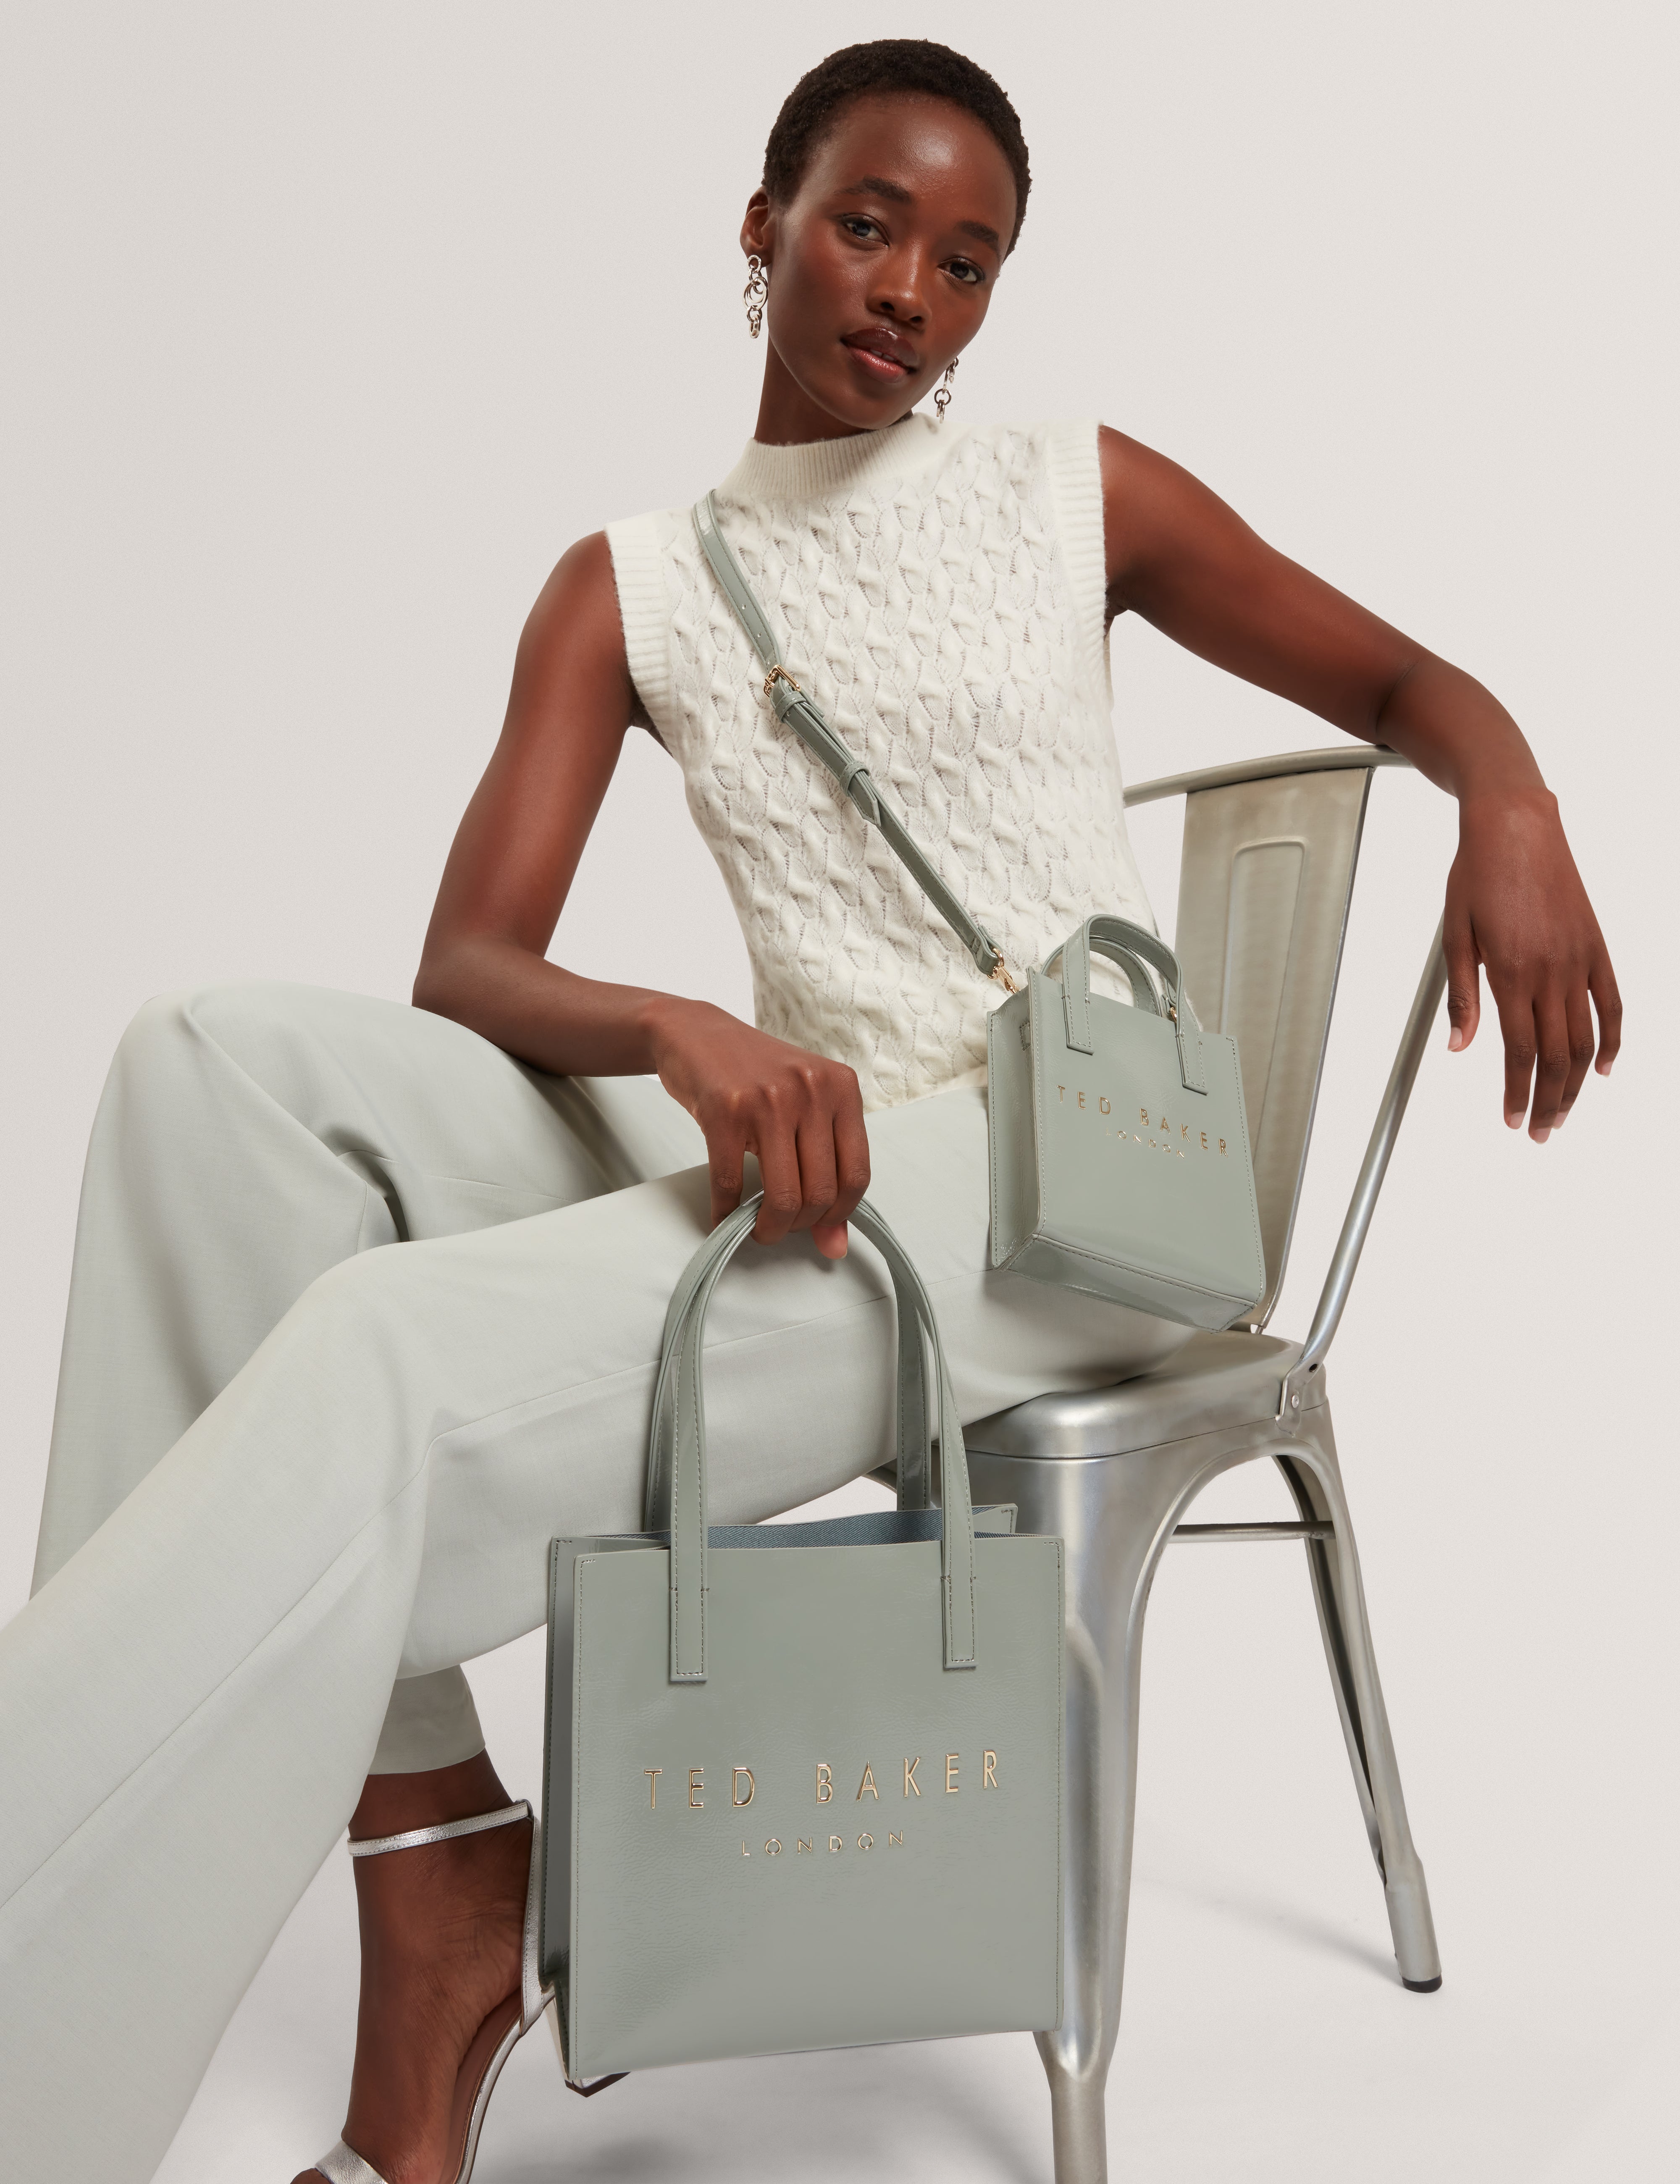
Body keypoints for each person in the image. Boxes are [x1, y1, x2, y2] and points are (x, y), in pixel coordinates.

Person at [0, 37, 1619, 2184]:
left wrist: (1510, 794)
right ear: (761, 228)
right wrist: (682, 1025)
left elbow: (1406, 686)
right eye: (869, 226)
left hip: (1069, 1192)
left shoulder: (1074, 490)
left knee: (377, 1345)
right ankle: (434, 1840)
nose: (912, 293)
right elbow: (469, 964)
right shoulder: (632, 585)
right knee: (205, 1072)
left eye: (968, 261)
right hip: (831, 1151)